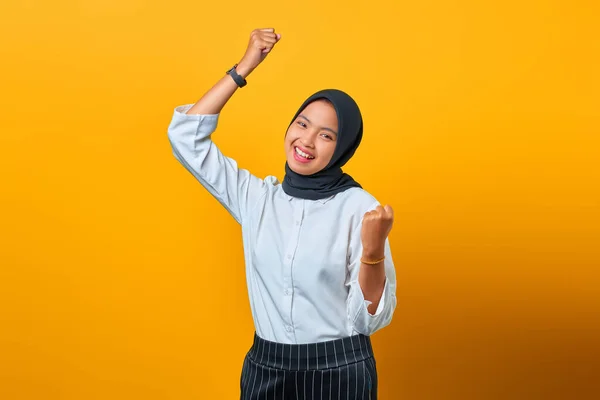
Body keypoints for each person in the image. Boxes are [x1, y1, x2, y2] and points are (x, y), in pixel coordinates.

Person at [167, 28, 397, 400]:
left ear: (343, 148)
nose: (306, 141)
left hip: (339, 370)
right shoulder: (258, 199)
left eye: (326, 135)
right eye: (302, 124)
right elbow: (185, 137)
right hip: (266, 368)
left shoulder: (361, 208)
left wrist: (373, 253)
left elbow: (368, 320)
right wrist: (243, 68)